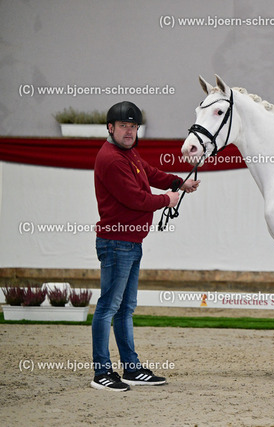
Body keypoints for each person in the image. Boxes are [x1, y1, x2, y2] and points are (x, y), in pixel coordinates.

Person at [91, 101, 200, 391]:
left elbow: (150, 174)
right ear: (111, 128)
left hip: (130, 242)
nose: (129, 131)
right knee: (108, 307)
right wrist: (168, 199)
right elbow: (135, 199)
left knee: (124, 309)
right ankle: (101, 372)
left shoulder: (128, 153)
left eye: (133, 126)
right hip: (117, 243)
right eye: (123, 126)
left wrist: (178, 183)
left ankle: (131, 369)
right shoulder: (112, 159)